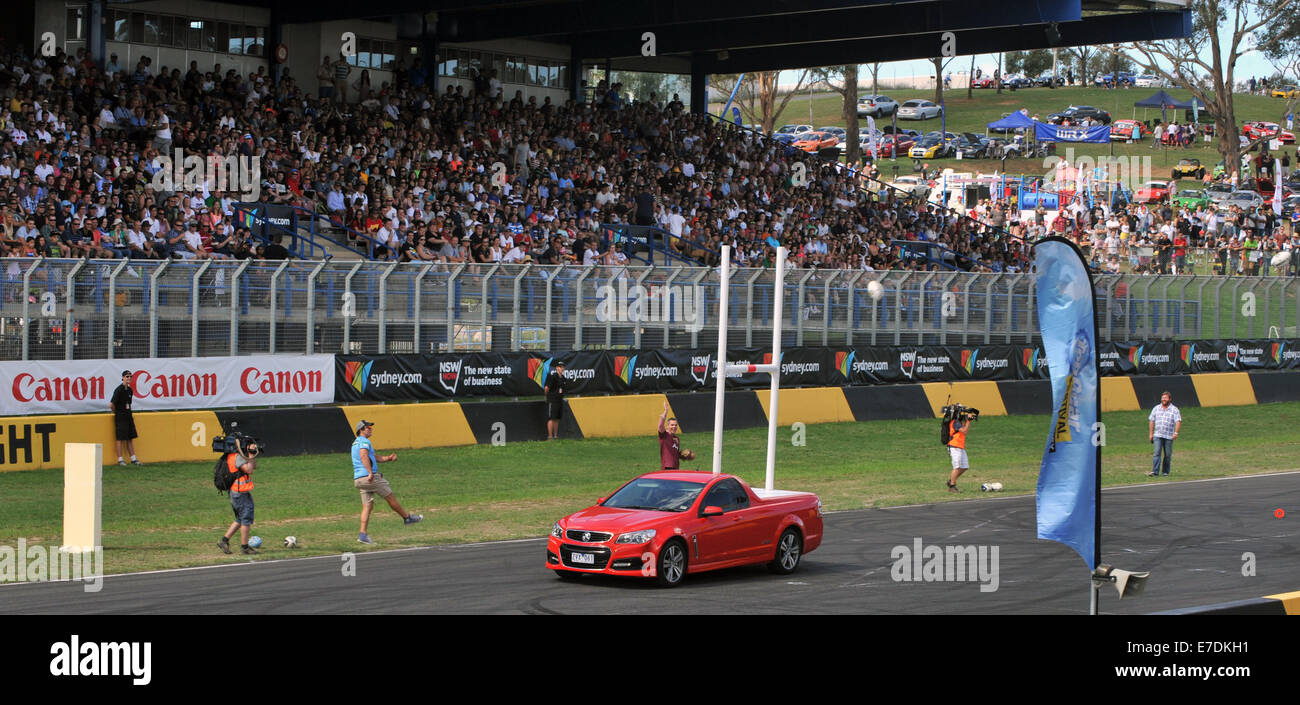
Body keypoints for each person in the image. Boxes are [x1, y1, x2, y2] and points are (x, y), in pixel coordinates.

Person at [352, 420, 422, 544]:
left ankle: (362, 535)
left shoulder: (355, 443)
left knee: (367, 506)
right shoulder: (364, 442)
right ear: (361, 430)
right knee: (390, 497)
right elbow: (363, 456)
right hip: (370, 477)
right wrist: (370, 472)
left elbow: (374, 457)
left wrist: (388, 458)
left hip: (359, 480)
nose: (371, 429)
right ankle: (407, 518)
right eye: (368, 427)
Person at [217, 437, 260, 555]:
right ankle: (245, 547)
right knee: (246, 519)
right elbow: (249, 470)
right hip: (239, 493)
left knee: (240, 519)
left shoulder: (237, 455)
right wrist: (250, 454)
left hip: (240, 492)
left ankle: (224, 541)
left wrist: (252, 455)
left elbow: (254, 466)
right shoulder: (237, 457)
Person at [109, 371, 141, 466]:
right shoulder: (119, 390)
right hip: (120, 416)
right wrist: (117, 412)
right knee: (120, 438)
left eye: (130, 377)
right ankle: (120, 459)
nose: (129, 378)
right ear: (123, 377)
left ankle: (133, 458)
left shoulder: (130, 390)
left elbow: (129, 404)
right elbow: (111, 404)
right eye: (127, 376)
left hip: (128, 416)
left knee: (130, 437)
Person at [1147, 391, 1181, 477]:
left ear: (1169, 399)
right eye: (1162, 398)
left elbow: (1178, 421)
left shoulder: (1174, 409)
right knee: (1156, 453)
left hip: (1169, 436)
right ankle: (1155, 472)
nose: (1163, 400)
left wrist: (1176, 433)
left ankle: (1165, 472)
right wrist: (1151, 434)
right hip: (1157, 435)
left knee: (1168, 455)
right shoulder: (1156, 408)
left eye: (1165, 398)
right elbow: (1151, 421)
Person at [658, 400, 694, 470]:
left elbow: (674, 453)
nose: (674, 427)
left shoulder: (677, 439)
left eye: (675, 425)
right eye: (672, 425)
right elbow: (660, 426)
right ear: (667, 426)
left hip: (676, 467)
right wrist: (665, 412)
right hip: (667, 467)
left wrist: (683, 455)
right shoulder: (664, 435)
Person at [946, 408, 975, 492]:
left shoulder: (959, 422)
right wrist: (968, 421)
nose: (964, 415)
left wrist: (967, 422)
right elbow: (965, 431)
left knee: (965, 467)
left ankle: (951, 480)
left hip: (960, 447)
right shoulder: (955, 422)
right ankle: (952, 486)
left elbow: (965, 431)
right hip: (954, 447)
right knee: (957, 467)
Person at [544, 361, 567, 440]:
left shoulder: (563, 378)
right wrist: (548, 396)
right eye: (560, 367)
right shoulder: (552, 376)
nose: (562, 368)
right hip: (552, 400)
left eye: (563, 367)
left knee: (557, 418)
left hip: (559, 400)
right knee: (551, 418)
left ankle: (555, 435)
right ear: (557, 368)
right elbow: (546, 388)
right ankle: (550, 436)